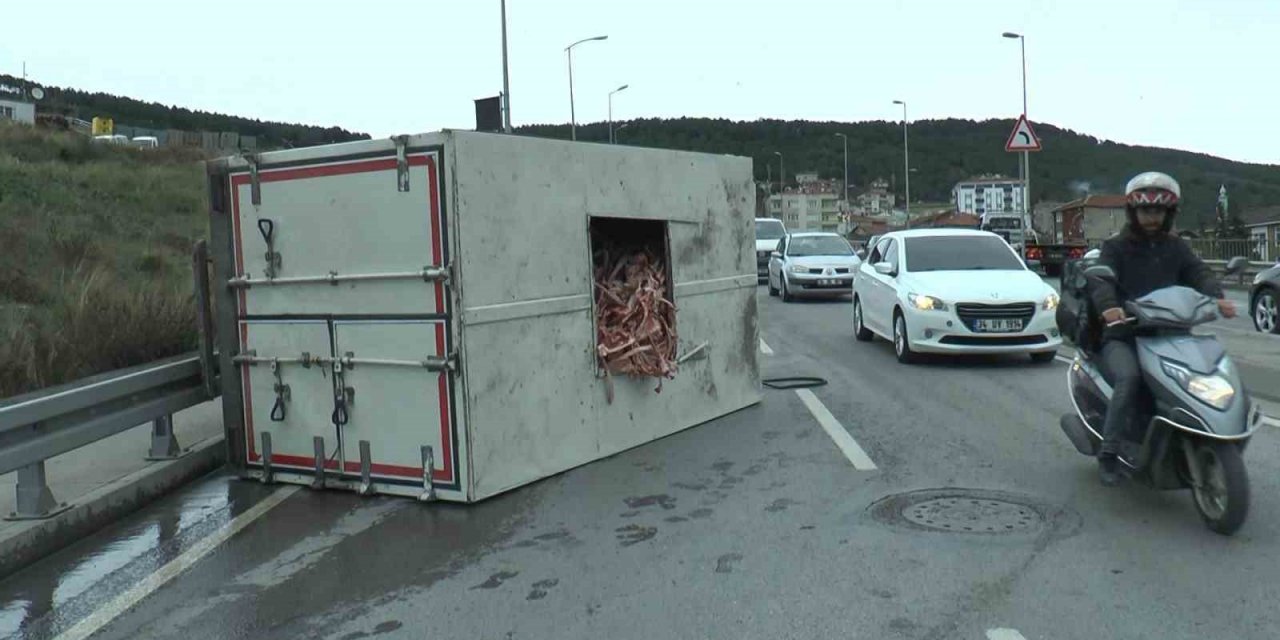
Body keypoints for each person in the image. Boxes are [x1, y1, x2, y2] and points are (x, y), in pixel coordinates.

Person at [1087, 171, 1236, 486]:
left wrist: (1218, 297)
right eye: (1145, 210)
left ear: (1168, 214)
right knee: (1129, 379)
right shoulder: (1115, 247)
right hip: (1124, 334)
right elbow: (1101, 281)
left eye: (1158, 211)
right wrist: (1109, 308)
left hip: (1170, 333)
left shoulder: (1176, 247)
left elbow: (1199, 272)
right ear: (1134, 212)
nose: (1151, 217)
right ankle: (1109, 453)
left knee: (1205, 371)